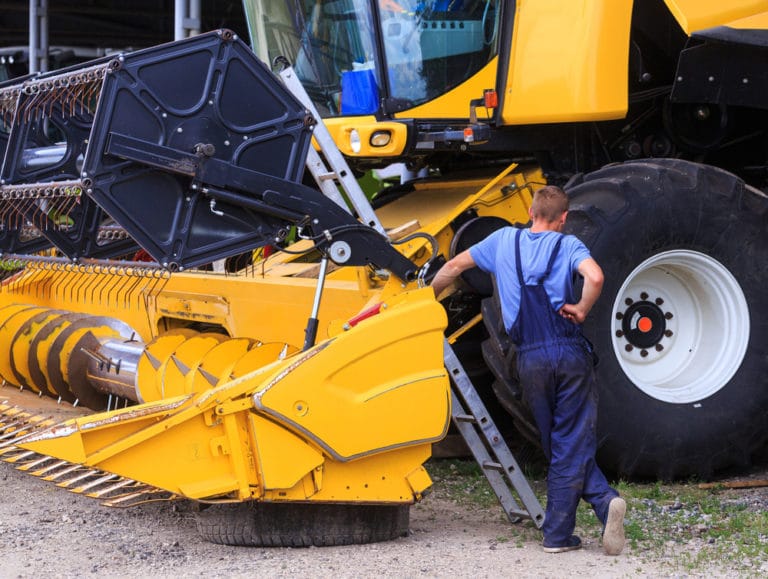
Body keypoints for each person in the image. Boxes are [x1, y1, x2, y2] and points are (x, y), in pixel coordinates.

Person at [431, 185, 626, 555]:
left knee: (556, 441)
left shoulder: (503, 240)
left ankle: (581, 518)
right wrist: (582, 308)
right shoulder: (568, 246)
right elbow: (596, 277)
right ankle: (590, 509)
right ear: (563, 218)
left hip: (529, 359)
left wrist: (426, 300)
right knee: (569, 440)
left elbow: (454, 266)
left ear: (532, 212)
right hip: (568, 353)